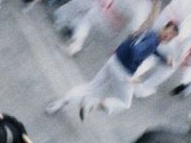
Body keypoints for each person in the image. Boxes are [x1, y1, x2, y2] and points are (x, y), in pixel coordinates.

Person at [45, 20, 177, 120]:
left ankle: (59, 103)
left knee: (91, 87)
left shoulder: (151, 33)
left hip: (114, 61)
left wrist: (164, 58)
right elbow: (138, 50)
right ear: (165, 27)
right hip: (123, 72)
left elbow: (145, 46)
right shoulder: (153, 40)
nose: (168, 36)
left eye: (171, 36)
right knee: (124, 103)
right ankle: (92, 104)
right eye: (169, 32)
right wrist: (133, 73)